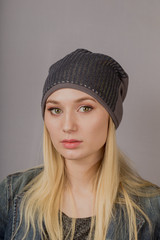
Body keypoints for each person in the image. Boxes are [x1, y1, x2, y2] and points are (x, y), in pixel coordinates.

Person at [0, 49, 160, 240]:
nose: (67, 126)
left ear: (111, 117)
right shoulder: (12, 193)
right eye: (55, 110)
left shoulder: (152, 207)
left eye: (85, 108)